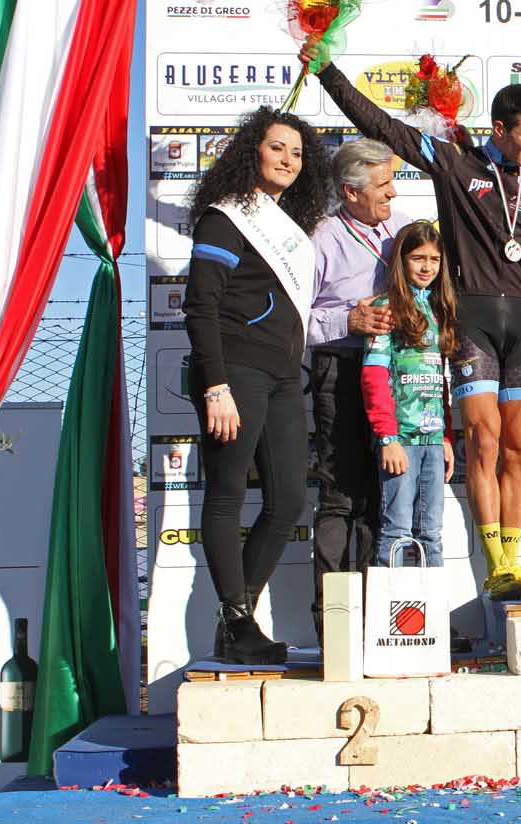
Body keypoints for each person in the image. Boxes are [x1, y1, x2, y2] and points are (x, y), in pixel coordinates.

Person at [315, 60, 521, 601]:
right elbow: (384, 127)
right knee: (484, 440)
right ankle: (497, 565)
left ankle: (516, 560)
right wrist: (329, 73)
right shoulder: (455, 163)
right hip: (474, 319)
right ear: (499, 128)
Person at [183, 107, 332, 664]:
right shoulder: (226, 219)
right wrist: (215, 386)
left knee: (289, 499)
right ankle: (237, 621)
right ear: (253, 151)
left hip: (283, 377)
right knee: (226, 494)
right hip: (235, 371)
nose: (288, 160)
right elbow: (200, 307)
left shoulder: (284, 226)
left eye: (297, 152)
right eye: (277, 148)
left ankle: (236, 620)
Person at [307, 137, 416, 635]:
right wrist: (347, 320)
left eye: (393, 180)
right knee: (341, 493)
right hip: (342, 366)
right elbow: (294, 319)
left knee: (385, 494)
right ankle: (333, 624)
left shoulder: (401, 229)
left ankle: (381, 619)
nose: (393, 191)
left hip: (395, 372)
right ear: (351, 192)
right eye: (383, 184)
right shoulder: (321, 237)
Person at [360, 221, 458, 566]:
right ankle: (394, 602)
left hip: (433, 440)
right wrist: (387, 438)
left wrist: (446, 437)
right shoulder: (387, 307)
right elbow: (373, 377)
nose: (427, 267)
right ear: (401, 261)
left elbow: (439, 382)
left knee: (431, 534)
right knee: (397, 532)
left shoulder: (438, 309)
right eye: (418, 258)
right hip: (400, 439)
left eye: (434, 259)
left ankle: (433, 603)